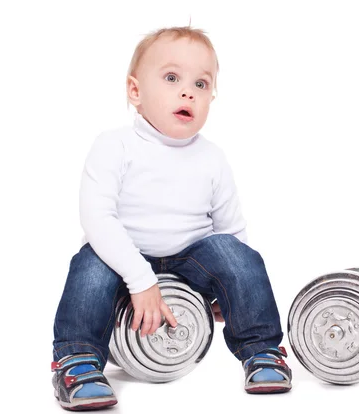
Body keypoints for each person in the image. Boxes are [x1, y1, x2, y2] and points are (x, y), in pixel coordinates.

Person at [51, 26, 291, 410]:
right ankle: (77, 361)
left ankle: (261, 352)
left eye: (201, 83)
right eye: (171, 78)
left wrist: (231, 292)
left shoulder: (212, 158)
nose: (187, 92)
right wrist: (141, 279)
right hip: (124, 260)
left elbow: (231, 232)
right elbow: (98, 217)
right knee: (90, 264)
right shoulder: (115, 146)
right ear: (135, 91)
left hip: (188, 260)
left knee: (236, 254)